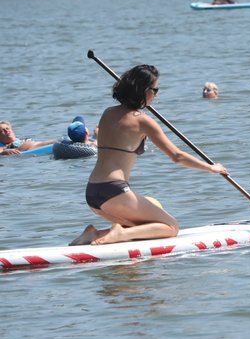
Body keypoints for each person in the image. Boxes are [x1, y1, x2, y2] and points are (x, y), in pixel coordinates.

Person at [69, 64, 227, 246]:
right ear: (144, 91)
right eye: (155, 89)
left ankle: (95, 234)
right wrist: (211, 168)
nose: (156, 94)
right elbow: (177, 156)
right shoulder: (143, 121)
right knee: (170, 227)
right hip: (113, 191)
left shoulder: (108, 113)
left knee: (146, 227)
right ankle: (119, 233)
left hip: (92, 191)